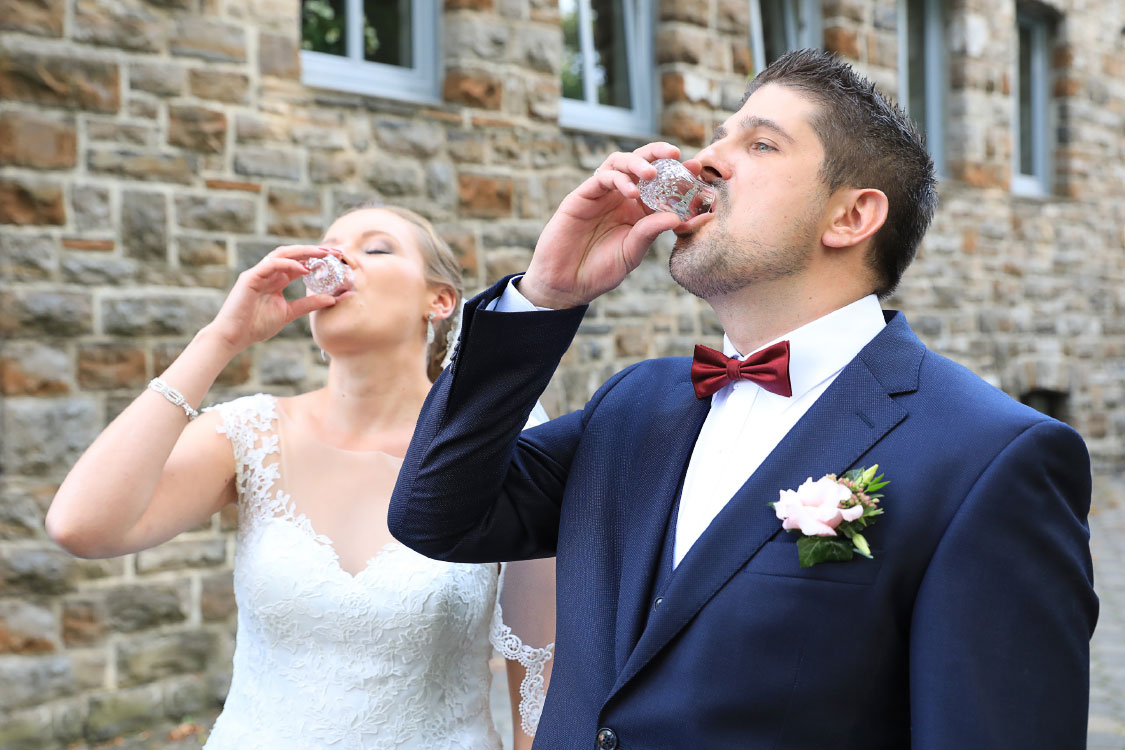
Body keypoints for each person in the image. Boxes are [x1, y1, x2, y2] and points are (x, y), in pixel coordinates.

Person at [389, 49, 1098, 749]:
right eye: (716, 136)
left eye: (759, 143)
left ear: (851, 217)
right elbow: (434, 515)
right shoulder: (633, 405)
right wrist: (541, 299)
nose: (704, 161)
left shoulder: (988, 457)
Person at [46, 204, 554, 750]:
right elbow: (81, 526)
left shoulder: (501, 443)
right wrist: (221, 338)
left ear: (439, 300)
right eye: (329, 246)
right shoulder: (249, 433)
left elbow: (540, 669)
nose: (336, 257)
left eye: (375, 247)